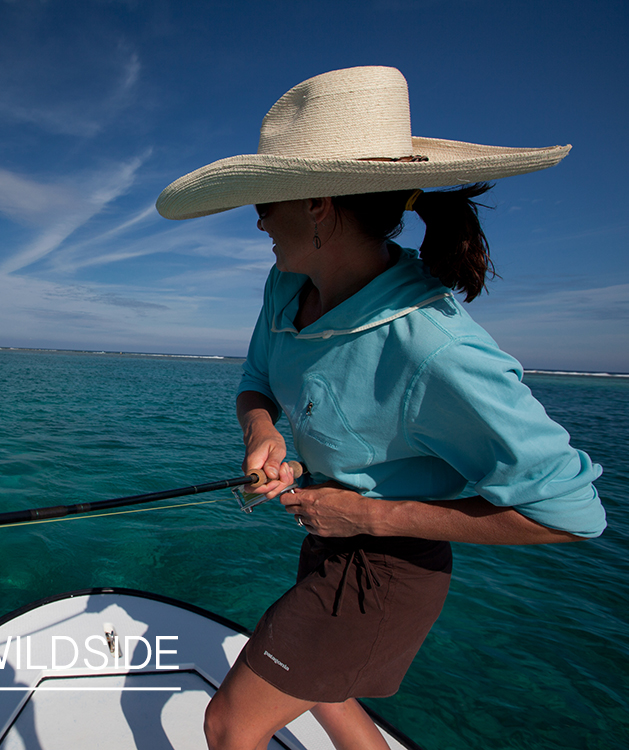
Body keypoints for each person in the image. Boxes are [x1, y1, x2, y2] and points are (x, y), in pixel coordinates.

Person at [155, 66, 606, 750]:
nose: (256, 218)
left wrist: (365, 513)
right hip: (328, 540)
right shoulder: (285, 286)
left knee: (227, 725)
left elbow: (571, 516)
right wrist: (263, 431)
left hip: (386, 572)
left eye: (267, 200)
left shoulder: (436, 345)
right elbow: (255, 378)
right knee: (330, 697)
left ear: (318, 207)